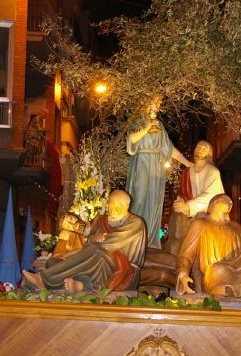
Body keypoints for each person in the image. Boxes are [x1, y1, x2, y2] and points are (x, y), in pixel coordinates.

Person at [23, 189, 147, 293]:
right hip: (93, 255)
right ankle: (79, 284)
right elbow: (88, 242)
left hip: (120, 265)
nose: (113, 211)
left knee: (98, 253)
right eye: (111, 206)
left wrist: (94, 241)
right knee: (53, 261)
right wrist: (92, 238)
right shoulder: (101, 220)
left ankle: (43, 280)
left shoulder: (136, 223)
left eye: (118, 208)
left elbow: (109, 243)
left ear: (127, 206)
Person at [126, 97, 192, 248]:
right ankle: (133, 236)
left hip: (156, 164)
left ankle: (150, 240)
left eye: (158, 104)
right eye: (155, 103)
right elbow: (132, 139)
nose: (157, 106)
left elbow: (169, 149)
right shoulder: (138, 122)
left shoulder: (160, 125)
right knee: (139, 198)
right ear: (145, 103)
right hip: (142, 161)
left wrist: (188, 163)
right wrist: (147, 127)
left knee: (154, 201)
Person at [166, 140, 225, 254]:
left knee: (200, 222)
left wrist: (188, 206)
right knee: (177, 220)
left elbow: (211, 195)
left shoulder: (213, 171)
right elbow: (182, 192)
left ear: (209, 154)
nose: (200, 149)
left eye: (204, 148)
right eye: (199, 147)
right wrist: (179, 202)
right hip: (189, 212)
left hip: (208, 211)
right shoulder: (187, 171)